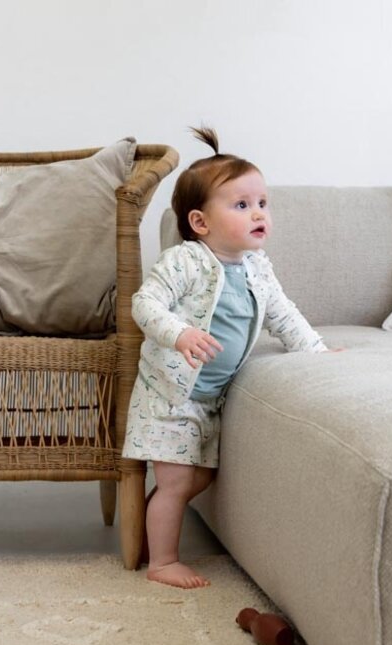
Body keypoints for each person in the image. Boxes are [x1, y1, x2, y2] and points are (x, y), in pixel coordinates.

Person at [122, 127, 330, 589]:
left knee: (201, 478)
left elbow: (282, 313)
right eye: (242, 206)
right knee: (178, 484)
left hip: (211, 397)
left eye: (262, 203)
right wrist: (179, 334)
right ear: (200, 223)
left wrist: (316, 351)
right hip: (171, 395)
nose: (259, 214)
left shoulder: (257, 265)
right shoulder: (185, 261)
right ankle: (163, 562)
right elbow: (145, 304)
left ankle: (156, 509)